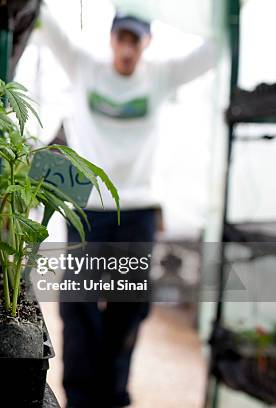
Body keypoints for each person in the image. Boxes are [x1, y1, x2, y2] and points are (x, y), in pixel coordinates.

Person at [39, 3, 218, 407]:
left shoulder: (160, 76)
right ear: (112, 39)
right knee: (80, 305)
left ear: (146, 43)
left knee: (129, 306)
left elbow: (212, 52)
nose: (127, 48)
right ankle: (83, 398)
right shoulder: (84, 66)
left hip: (138, 211)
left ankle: (113, 394)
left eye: (135, 41)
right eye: (122, 38)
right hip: (88, 210)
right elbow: (46, 25)